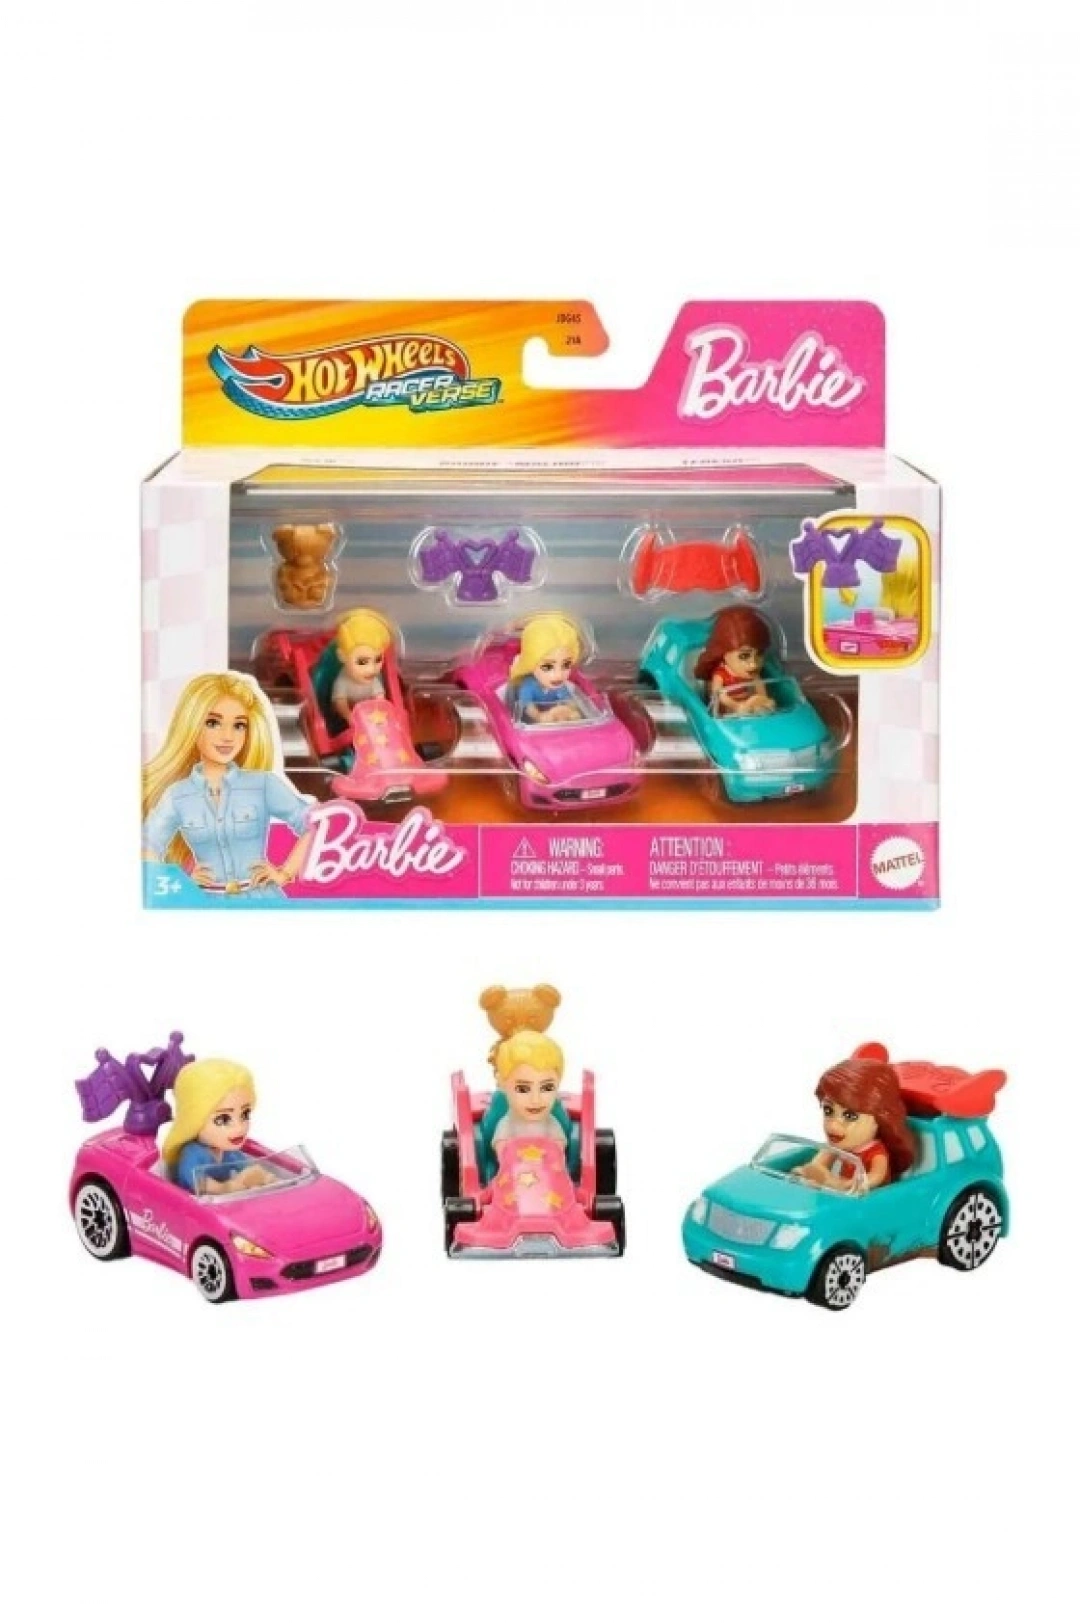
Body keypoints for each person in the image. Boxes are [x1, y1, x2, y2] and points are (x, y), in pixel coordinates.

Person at [142, 672, 311, 895]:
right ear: (191, 725)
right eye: (213, 723)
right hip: (207, 900)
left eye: (239, 725)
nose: (227, 736)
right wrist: (179, 880)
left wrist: (286, 873)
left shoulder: (263, 785)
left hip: (260, 898)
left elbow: (315, 824)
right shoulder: (178, 795)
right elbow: (147, 844)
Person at [795, 1054, 917, 1193]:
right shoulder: (836, 1146)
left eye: (850, 1116)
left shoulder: (876, 1153)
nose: (833, 1125)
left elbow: (875, 1177)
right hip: (842, 1196)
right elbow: (817, 1166)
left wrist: (843, 1184)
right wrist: (807, 1173)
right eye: (828, 1111)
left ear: (879, 1120)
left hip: (870, 1199)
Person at [161, 1058, 276, 1196]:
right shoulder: (193, 1153)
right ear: (194, 1120)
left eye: (245, 1115)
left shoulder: (228, 1152)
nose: (240, 1128)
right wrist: (223, 1188)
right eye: (223, 1119)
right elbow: (199, 1182)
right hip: (192, 1204)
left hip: (222, 1203)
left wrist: (265, 1178)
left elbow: (247, 1168)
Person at [693, 606, 777, 716]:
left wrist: (764, 701)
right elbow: (719, 696)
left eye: (759, 654)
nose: (753, 664)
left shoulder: (753, 673)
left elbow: (760, 689)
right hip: (728, 711)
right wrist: (736, 706)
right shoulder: (720, 675)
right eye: (744, 656)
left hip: (748, 708)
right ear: (724, 654)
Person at [508, 613, 586, 724]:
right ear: (531, 663)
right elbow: (528, 707)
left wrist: (572, 710)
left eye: (566, 665)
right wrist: (538, 716)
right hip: (535, 721)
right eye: (548, 667)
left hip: (554, 717)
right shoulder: (529, 686)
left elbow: (568, 700)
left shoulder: (560, 685)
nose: (559, 674)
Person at [330, 608, 394, 724]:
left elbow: (379, 696)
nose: (371, 669)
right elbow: (340, 703)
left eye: (378, 660)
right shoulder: (342, 681)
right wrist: (348, 716)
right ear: (342, 657)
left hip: (369, 716)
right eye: (362, 662)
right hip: (346, 719)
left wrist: (379, 710)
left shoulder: (373, 679)